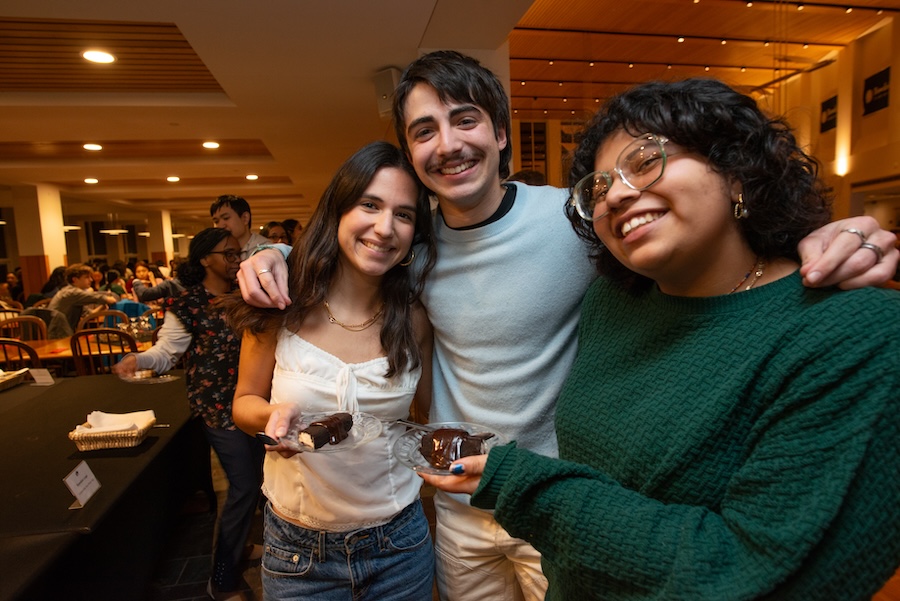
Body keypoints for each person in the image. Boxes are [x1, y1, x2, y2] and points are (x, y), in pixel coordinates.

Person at [238, 51, 899, 601]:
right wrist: (269, 253)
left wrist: (832, 234)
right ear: (412, 156)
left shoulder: (579, 222)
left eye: (465, 119)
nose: (448, 142)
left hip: (560, 501)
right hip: (463, 503)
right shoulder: (416, 243)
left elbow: (722, 254)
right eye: (424, 130)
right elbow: (350, 255)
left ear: (500, 132)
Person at [425, 78, 900, 601]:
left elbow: (760, 573)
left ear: (737, 169)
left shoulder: (856, 333)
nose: (619, 195)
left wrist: (524, 483)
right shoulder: (612, 303)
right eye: (599, 187)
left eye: (646, 162)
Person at [228, 141, 437, 600]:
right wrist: (270, 416)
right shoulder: (279, 303)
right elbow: (243, 402)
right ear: (338, 211)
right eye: (370, 204)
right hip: (298, 552)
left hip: (399, 544)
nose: (385, 228)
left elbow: (425, 418)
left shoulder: (414, 317)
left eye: (404, 215)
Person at [112, 228, 263, 601]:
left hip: (256, 402)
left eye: (236, 253)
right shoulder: (188, 304)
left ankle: (242, 547)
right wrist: (139, 358)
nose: (234, 260)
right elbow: (166, 352)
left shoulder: (247, 295)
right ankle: (222, 579)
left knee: (258, 483)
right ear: (203, 260)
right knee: (243, 486)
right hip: (217, 408)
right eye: (227, 254)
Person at [48, 263, 118, 331]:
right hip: (58, 332)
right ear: (75, 279)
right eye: (87, 277)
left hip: (60, 330)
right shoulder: (73, 293)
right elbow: (107, 299)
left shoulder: (71, 292)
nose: (91, 280)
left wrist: (102, 307)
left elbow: (89, 314)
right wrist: (108, 299)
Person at [210, 194, 269, 260]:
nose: (220, 226)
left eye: (226, 218)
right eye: (216, 221)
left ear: (245, 218)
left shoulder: (265, 250)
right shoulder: (216, 251)